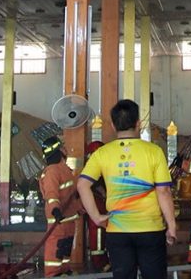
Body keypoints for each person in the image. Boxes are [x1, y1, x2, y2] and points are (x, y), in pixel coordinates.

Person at [77, 100, 177, 279]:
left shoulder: (102, 153)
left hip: (118, 230)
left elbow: (82, 185)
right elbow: (163, 192)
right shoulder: (154, 151)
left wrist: (97, 217)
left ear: (113, 125)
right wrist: (171, 225)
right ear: (138, 123)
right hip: (150, 229)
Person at [38, 136, 82, 276]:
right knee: (56, 249)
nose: (65, 149)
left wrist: (80, 208)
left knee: (65, 248)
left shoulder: (65, 170)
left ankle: (65, 271)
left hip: (68, 219)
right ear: (59, 150)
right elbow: (51, 194)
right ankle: (53, 274)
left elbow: (71, 193)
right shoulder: (52, 172)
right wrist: (55, 210)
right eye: (62, 146)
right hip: (58, 220)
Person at [84, 140, 111, 272]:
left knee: (102, 233)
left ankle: (103, 260)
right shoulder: (92, 171)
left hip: (103, 204)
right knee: (98, 233)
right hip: (96, 204)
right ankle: (99, 263)